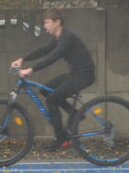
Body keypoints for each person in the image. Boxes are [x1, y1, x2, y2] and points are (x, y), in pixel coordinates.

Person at [11, 10, 96, 149]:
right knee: (45, 90)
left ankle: (61, 138)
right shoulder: (58, 38)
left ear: (57, 22)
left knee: (52, 100)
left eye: (47, 22)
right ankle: (74, 114)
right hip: (75, 74)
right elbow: (44, 50)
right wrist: (23, 59)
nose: (45, 25)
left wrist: (30, 69)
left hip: (84, 76)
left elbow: (54, 56)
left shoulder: (67, 37)